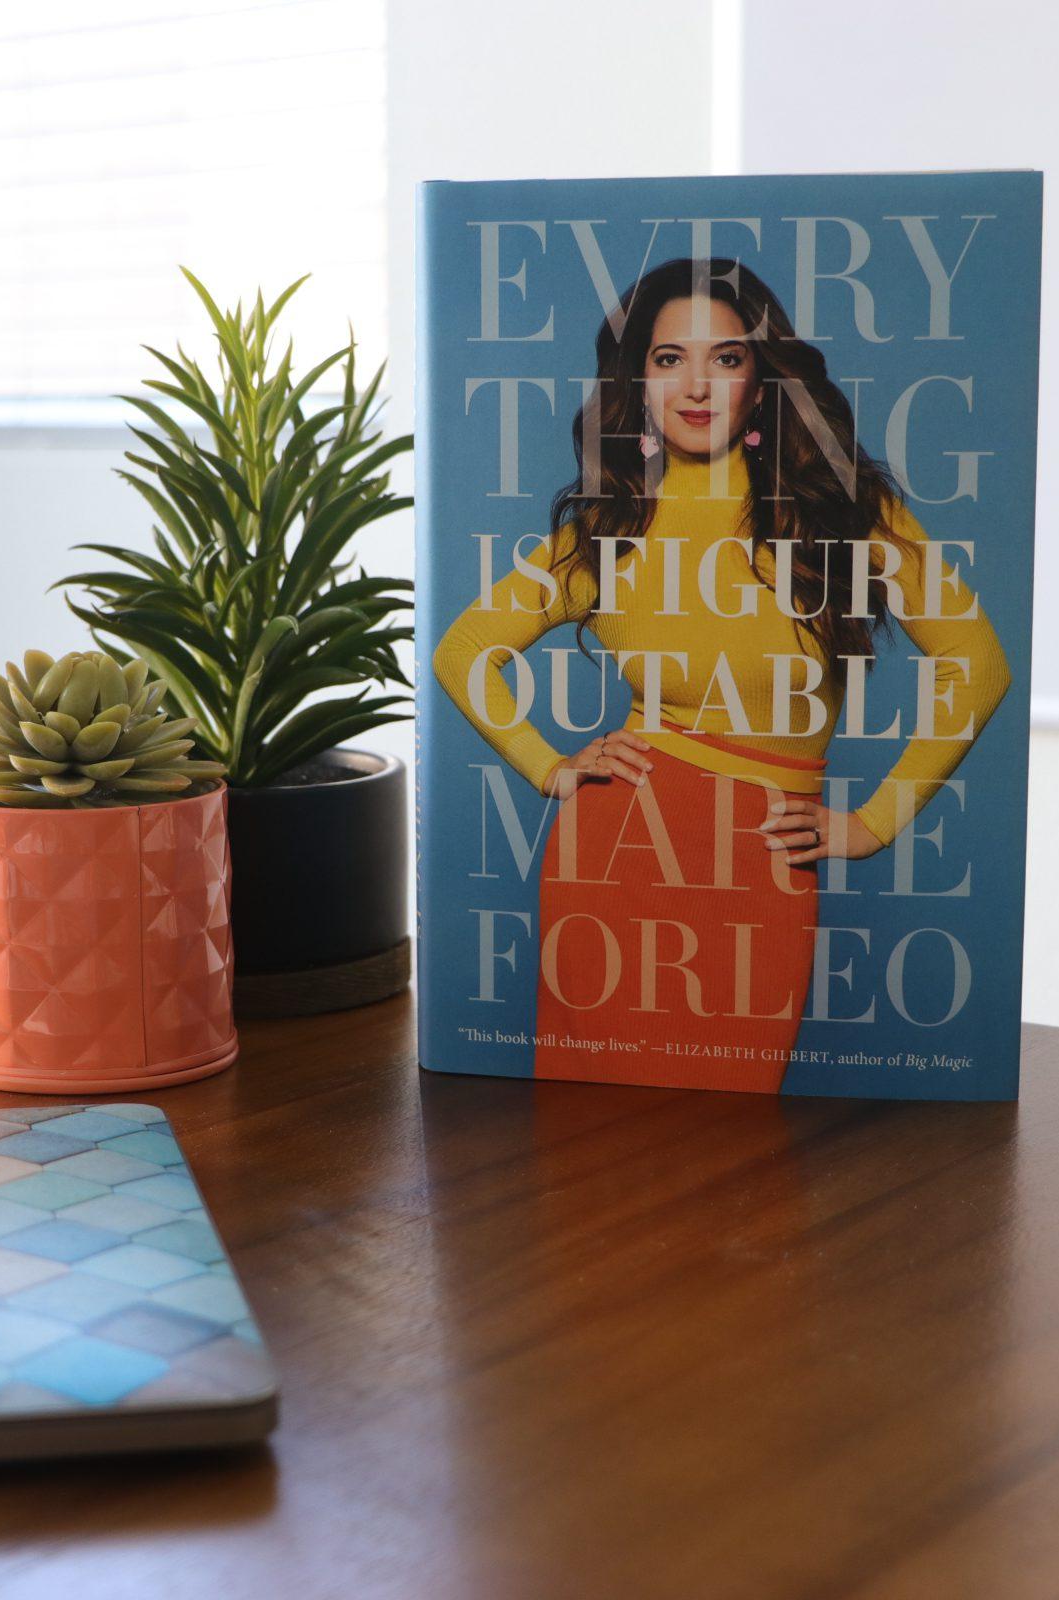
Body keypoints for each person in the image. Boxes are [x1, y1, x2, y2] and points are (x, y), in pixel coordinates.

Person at [432, 256, 1012, 1091]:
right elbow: (463, 650)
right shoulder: (610, 526)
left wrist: (876, 821)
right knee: (589, 1150)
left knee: (730, 1158)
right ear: (638, 380)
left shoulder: (843, 511)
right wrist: (551, 769)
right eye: (669, 360)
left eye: (726, 357)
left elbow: (977, 662)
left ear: (761, 377)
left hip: (765, 867)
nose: (697, 386)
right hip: (616, 860)